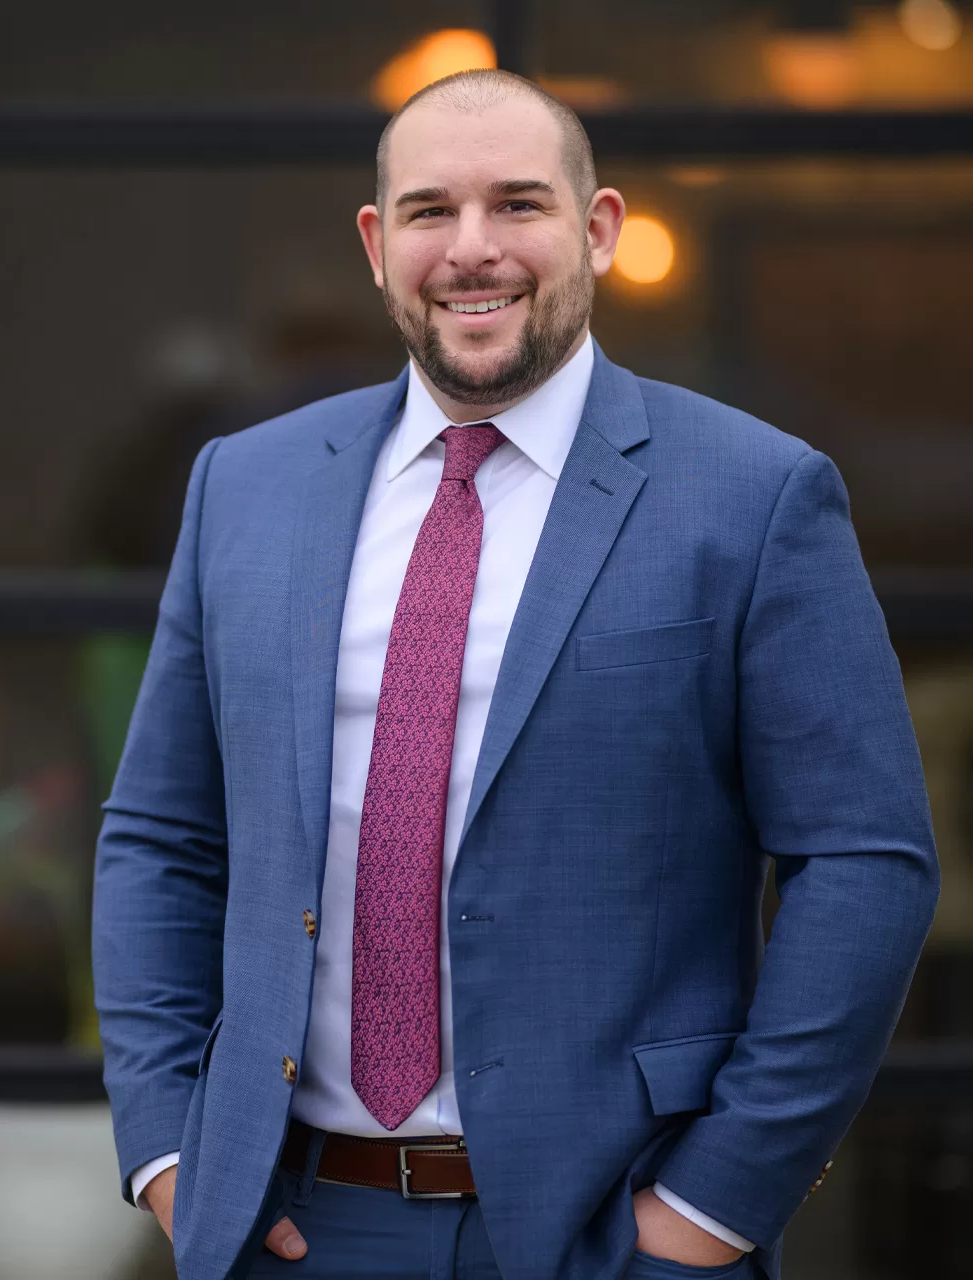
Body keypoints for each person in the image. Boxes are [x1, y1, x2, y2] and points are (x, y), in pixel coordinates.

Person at [91, 69, 937, 1280]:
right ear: (380, 247)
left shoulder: (753, 496)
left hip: (613, 1229)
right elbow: (159, 837)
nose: (472, 249)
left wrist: (717, 1204)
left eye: (520, 205)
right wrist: (173, 1155)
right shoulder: (246, 485)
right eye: (431, 210)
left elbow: (865, 863)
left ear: (598, 230)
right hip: (296, 1223)